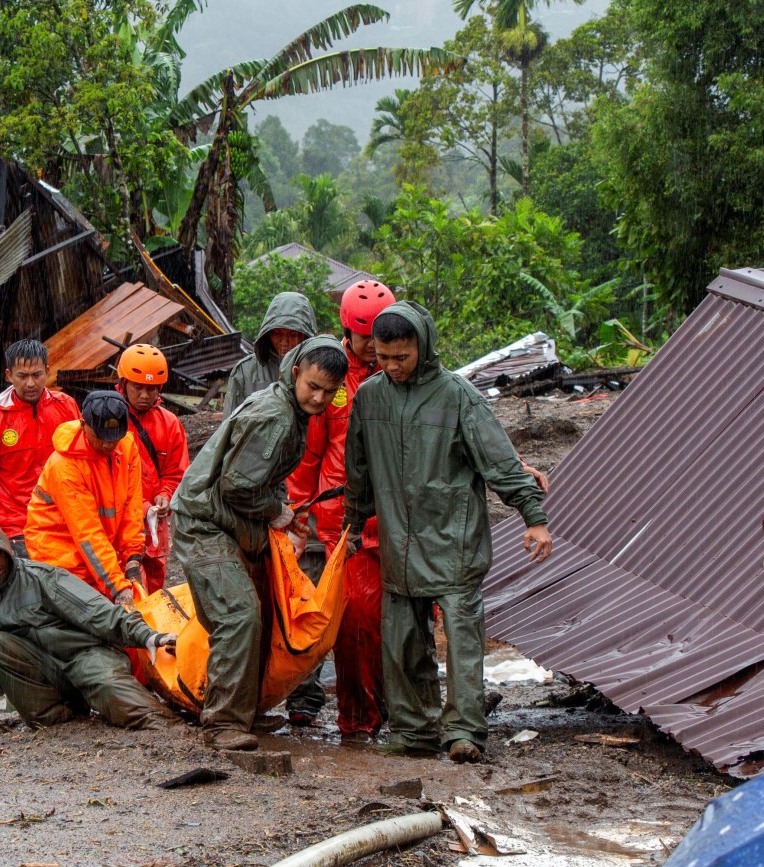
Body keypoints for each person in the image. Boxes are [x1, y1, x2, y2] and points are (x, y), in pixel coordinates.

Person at [344, 302, 552, 764]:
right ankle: (413, 731)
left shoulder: (457, 395)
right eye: (383, 357)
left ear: (423, 346)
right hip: (398, 542)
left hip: (454, 539)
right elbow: (357, 470)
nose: (392, 366)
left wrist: (533, 516)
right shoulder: (369, 397)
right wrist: (353, 525)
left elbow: (499, 460)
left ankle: (463, 732)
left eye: (402, 357)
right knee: (402, 643)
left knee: (462, 640)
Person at [171, 336, 349, 751]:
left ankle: (244, 710)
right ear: (295, 373)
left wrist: (280, 513)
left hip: (230, 521)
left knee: (264, 612)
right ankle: (223, 723)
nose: (319, 398)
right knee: (239, 615)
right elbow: (237, 486)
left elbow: (262, 477)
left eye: (328, 392)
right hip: (205, 523)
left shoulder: (290, 409)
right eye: (313, 387)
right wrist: (277, 513)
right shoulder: (277, 416)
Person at [0, 516, 178, 730]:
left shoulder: (41, 577)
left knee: (140, 712)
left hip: (85, 657)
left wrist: (147, 636)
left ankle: (176, 728)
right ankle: (58, 718)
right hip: (47, 675)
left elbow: (99, 612)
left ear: (6, 550)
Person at [284, 280, 396, 736]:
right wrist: (298, 516)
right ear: (348, 331)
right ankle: (357, 720)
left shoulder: (401, 369)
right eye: (365, 337)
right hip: (341, 525)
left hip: (396, 521)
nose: (373, 346)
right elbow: (309, 456)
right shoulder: (331, 376)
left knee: (400, 622)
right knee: (350, 625)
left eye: (379, 336)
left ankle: (398, 714)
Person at [24, 391, 145, 605]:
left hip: (99, 553)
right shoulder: (64, 465)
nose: (108, 444)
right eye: (100, 437)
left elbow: (132, 508)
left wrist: (132, 559)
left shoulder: (126, 446)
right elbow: (87, 532)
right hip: (60, 558)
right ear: (83, 424)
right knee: (94, 615)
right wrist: (117, 586)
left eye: (114, 437)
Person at [0, 340, 80, 556]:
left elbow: (83, 464)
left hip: (64, 521)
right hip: (15, 527)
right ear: (9, 375)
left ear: (47, 371)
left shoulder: (66, 406)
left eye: (36, 375)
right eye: (22, 376)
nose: (30, 383)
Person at [114, 344, 189, 593]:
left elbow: (177, 471)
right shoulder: (110, 419)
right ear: (124, 383)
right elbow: (106, 477)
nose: (144, 395)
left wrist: (166, 494)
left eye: (151, 388)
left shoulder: (170, 423)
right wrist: (142, 506)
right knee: (129, 583)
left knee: (156, 581)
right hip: (121, 521)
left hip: (156, 522)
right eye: (138, 387)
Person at [222, 291, 317, 414]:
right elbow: (230, 421)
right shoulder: (245, 372)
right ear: (268, 334)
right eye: (277, 333)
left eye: (293, 335)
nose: (284, 342)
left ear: (305, 336)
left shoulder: (319, 370)